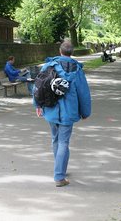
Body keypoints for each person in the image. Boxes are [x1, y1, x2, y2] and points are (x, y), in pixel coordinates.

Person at [34, 40, 91, 187]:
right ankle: (59, 176)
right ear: (72, 52)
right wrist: (85, 112)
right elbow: (83, 93)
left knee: (55, 139)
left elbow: (38, 86)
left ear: (60, 51)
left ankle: (60, 168)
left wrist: (38, 105)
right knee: (64, 142)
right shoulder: (77, 69)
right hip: (68, 111)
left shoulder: (49, 65)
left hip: (51, 108)